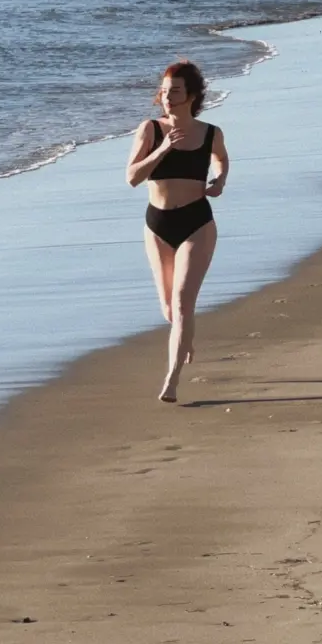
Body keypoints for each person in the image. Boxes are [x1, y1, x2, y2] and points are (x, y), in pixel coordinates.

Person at [125, 59, 229, 402]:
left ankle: (172, 380)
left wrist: (220, 179)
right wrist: (164, 148)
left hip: (197, 223)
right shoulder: (150, 130)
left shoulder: (210, 132)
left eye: (176, 92)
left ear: (192, 95)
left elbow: (221, 160)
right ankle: (185, 336)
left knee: (183, 305)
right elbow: (132, 177)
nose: (168, 98)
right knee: (170, 309)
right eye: (165, 91)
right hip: (157, 225)